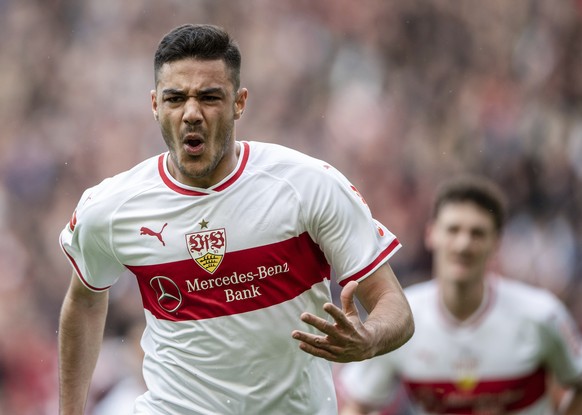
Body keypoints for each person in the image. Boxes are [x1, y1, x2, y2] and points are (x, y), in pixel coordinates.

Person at [57, 23, 414, 415]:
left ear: (240, 102)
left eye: (209, 97)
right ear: (155, 104)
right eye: (175, 98)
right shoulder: (113, 206)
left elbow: (393, 304)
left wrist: (370, 338)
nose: (192, 113)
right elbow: (85, 301)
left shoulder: (307, 185)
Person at [338, 175, 582, 415]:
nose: (463, 244)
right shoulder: (401, 319)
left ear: (496, 242)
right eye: (453, 230)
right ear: (431, 234)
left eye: (477, 233)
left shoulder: (541, 315)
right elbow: (358, 405)